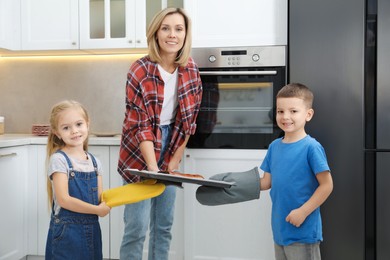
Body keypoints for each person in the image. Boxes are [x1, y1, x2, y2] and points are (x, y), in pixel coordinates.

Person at [196, 83, 333, 260]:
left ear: (308, 114)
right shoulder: (275, 147)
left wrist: (303, 211)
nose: (286, 116)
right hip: (279, 229)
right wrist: (227, 183)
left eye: (293, 111)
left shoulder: (311, 148)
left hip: (303, 230)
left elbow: (327, 185)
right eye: (280, 111)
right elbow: (266, 182)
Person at [117, 7, 202, 260]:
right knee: (136, 227)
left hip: (172, 143)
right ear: (155, 33)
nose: (172, 35)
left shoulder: (190, 69)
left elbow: (189, 120)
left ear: (186, 35)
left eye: (178, 29)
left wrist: (174, 159)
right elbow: (139, 123)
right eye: (165, 28)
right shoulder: (140, 70)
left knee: (163, 226)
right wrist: (152, 166)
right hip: (140, 149)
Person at [45, 100, 111, 260]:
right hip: (67, 234)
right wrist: (98, 210)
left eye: (79, 124)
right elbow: (64, 200)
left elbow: (99, 198)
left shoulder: (95, 162)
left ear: (87, 124)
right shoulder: (59, 160)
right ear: (57, 132)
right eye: (66, 127)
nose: (74, 131)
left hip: (92, 231)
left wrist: (118, 198)